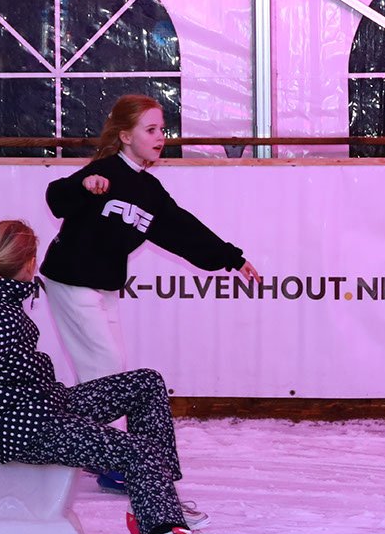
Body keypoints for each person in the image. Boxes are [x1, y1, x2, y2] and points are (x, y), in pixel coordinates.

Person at [0, 219, 243, 534]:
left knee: (146, 384)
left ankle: (153, 509)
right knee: (139, 452)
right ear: (29, 264)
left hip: (44, 405)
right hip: (30, 429)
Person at [42, 94, 260, 493]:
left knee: (111, 368)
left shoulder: (148, 189)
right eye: (151, 130)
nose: (161, 137)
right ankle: (107, 457)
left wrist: (231, 257)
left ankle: (89, 447)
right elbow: (56, 198)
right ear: (126, 136)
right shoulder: (105, 170)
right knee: (105, 366)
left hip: (103, 283)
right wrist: (85, 185)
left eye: (163, 129)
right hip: (70, 279)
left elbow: (182, 229)